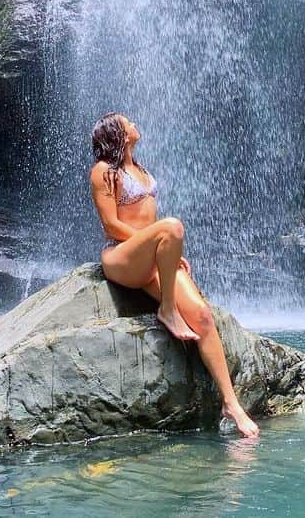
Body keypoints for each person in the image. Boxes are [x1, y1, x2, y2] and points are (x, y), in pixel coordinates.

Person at [89, 111, 260, 438]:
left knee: (202, 315)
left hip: (150, 256)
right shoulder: (103, 172)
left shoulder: (139, 168)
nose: (134, 124)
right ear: (118, 134)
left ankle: (231, 403)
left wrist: (168, 255)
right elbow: (111, 224)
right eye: (127, 122)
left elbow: (155, 228)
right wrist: (159, 241)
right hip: (121, 256)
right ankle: (167, 309)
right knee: (172, 225)